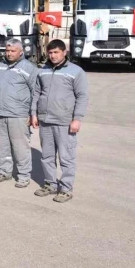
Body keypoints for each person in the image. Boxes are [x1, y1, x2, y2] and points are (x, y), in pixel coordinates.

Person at [31, 40, 89, 203]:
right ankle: (50, 184)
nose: (53, 55)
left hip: (65, 122)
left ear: (64, 52)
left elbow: (82, 97)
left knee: (66, 157)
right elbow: (36, 93)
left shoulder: (76, 71)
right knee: (47, 156)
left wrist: (77, 119)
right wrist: (34, 114)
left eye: (56, 52)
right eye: (50, 52)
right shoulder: (43, 70)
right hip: (45, 120)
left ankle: (66, 188)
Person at [0, 39, 38, 187]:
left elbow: (35, 92)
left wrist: (32, 113)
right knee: (1, 145)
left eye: (13, 51)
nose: (9, 54)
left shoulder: (29, 68)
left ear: (21, 51)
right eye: (7, 50)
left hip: (18, 114)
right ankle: (5, 171)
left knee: (20, 147)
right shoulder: (1, 66)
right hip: (0, 113)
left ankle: (24, 175)